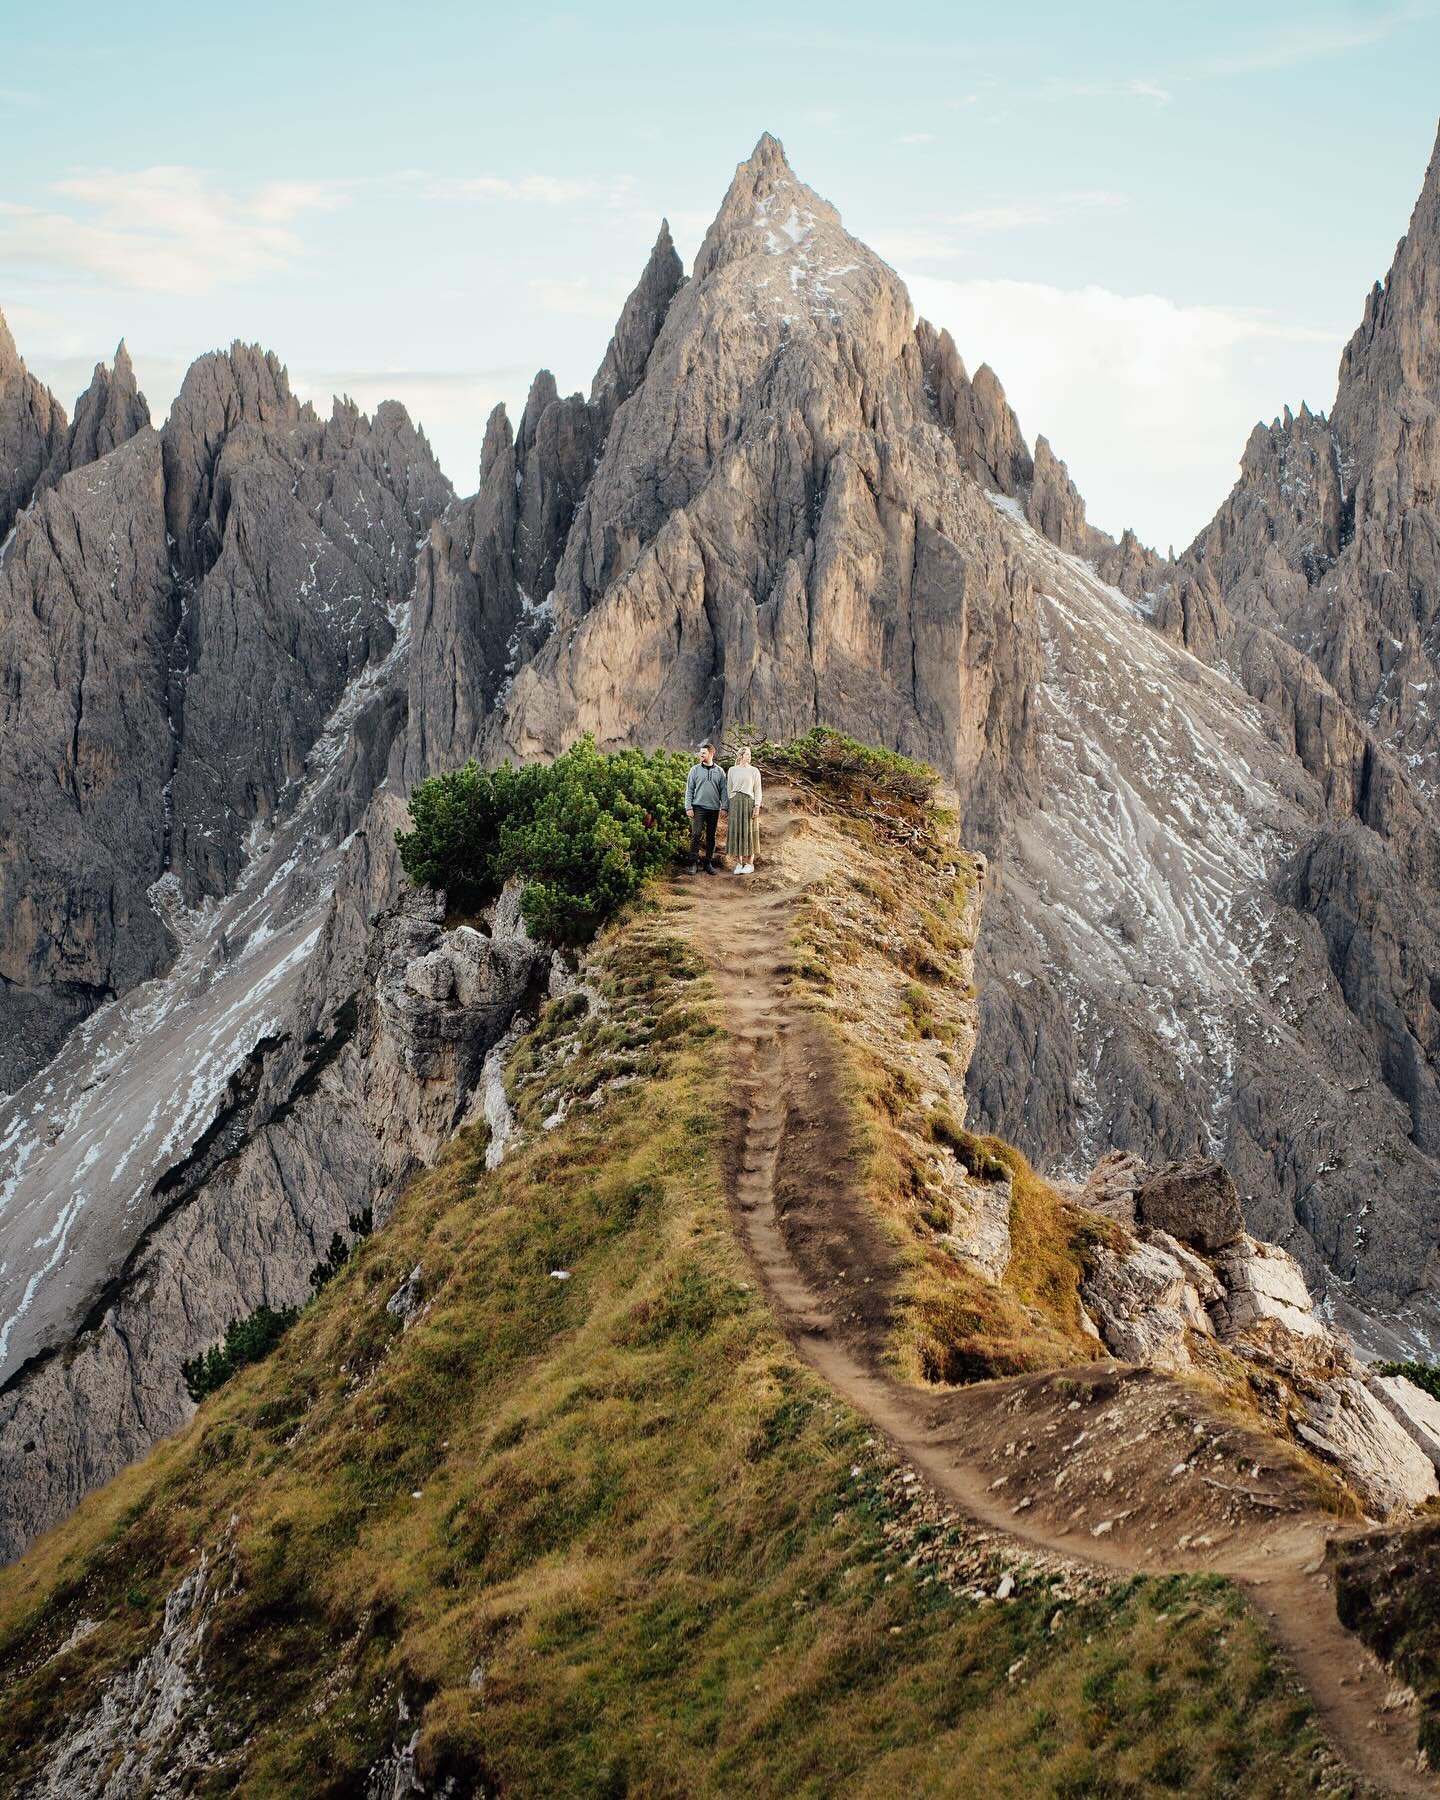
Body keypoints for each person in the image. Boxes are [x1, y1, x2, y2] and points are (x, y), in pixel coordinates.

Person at [685, 740, 728, 875]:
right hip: (698, 808)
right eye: (700, 753)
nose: (701, 755)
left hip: (714, 809)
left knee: (711, 836)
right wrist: (688, 807)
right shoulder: (695, 770)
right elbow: (689, 789)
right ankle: (693, 864)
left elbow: (723, 790)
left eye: (704, 753)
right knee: (696, 835)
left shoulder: (720, 771)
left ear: (711, 754)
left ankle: (708, 863)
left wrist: (725, 807)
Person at [725, 746, 762, 874]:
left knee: (749, 832)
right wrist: (731, 800)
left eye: (750, 755)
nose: (749, 757)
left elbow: (758, 790)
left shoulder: (754, 771)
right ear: (741, 756)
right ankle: (739, 864)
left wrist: (757, 805)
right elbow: (729, 788)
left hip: (748, 802)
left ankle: (749, 864)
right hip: (735, 802)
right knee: (737, 832)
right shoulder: (732, 770)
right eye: (747, 754)